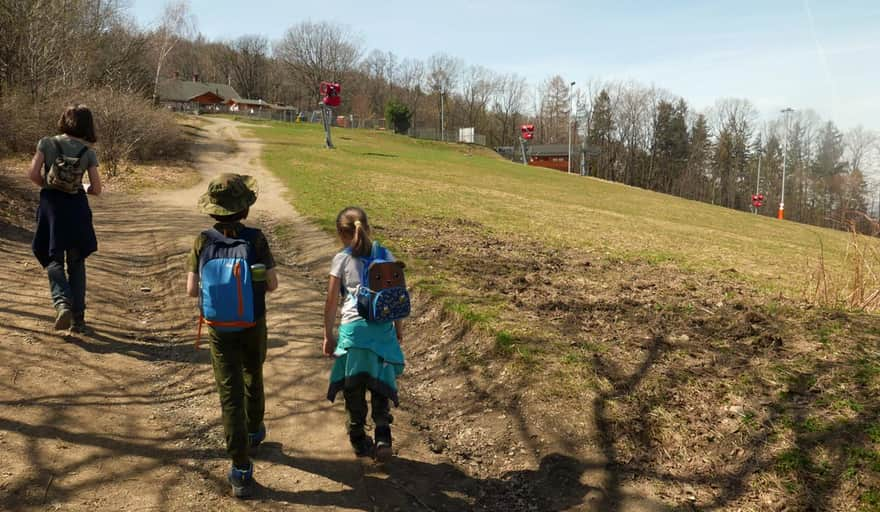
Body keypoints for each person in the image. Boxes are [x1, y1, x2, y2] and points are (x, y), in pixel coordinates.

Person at [185, 173, 278, 498]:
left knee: (229, 391)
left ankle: (239, 467)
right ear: (245, 208)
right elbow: (272, 284)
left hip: (218, 328)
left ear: (212, 210)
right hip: (253, 322)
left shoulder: (202, 240)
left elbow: (190, 290)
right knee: (253, 372)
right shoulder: (256, 239)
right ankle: (254, 430)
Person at [323, 206, 405, 462]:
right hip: (382, 332)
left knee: (354, 388)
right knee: (380, 384)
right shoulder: (386, 254)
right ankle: (383, 436)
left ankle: (358, 438)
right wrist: (398, 331)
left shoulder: (342, 259)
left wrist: (328, 335)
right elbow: (398, 297)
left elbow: (331, 301)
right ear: (367, 228)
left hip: (353, 333)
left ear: (341, 234)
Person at [28, 104, 102, 333]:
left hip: (52, 207)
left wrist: (49, 186)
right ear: (87, 125)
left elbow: (32, 174)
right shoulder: (88, 152)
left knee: (52, 257)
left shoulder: (47, 143)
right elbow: (97, 189)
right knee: (77, 263)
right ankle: (78, 319)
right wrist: (82, 187)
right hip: (77, 209)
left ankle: (62, 303)